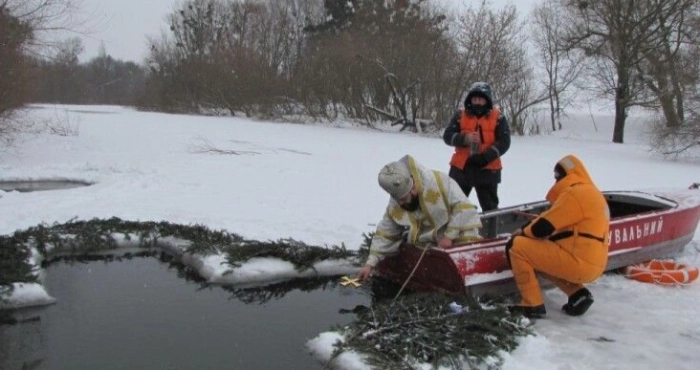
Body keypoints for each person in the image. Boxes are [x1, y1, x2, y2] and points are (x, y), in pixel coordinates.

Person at [506, 154, 610, 319]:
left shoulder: (575, 193)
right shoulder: (592, 194)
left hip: (578, 262)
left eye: (557, 176)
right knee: (541, 256)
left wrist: (523, 232)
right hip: (594, 263)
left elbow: (542, 228)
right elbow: (558, 220)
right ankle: (578, 294)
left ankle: (532, 305)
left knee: (517, 247)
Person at [356, 155, 482, 280]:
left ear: (414, 189)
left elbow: (464, 208)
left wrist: (449, 236)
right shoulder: (398, 197)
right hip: (428, 244)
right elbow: (386, 232)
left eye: (403, 199)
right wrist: (369, 264)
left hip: (459, 233)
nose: (400, 204)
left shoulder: (439, 182)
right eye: (398, 200)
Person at [443, 82, 510, 212]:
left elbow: (504, 142)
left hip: (488, 168)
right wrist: (464, 139)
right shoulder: (460, 115)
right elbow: (447, 136)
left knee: (490, 208)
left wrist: (485, 157)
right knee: (452, 207)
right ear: (470, 99)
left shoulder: (498, 117)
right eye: (474, 99)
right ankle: (451, 231)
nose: (477, 102)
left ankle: (491, 231)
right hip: (461, 167)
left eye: (481, 99)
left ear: (487, 100)